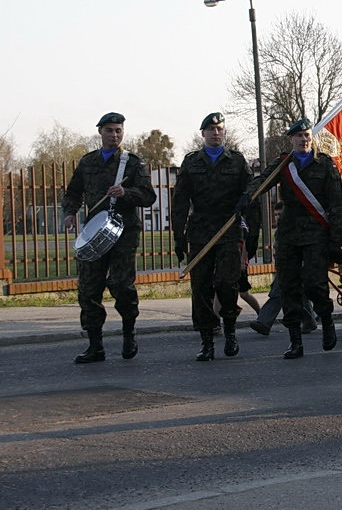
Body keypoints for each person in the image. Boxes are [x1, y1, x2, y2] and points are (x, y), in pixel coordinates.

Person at [239, 118, 342, 359]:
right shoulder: (284, 164)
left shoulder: (325, 164)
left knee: (314, 284)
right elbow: (263, 180)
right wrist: (248, 195)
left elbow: (336, 205)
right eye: (299, 136)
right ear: (291, 139)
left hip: (316, 234)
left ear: (312, 137)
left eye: (307, 135)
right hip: (288, 233)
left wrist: (336, 239)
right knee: (288, 286)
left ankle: (326, 320)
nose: (303, 140)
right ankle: (295, 340)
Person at [63, 112, 157, 363]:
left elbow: (149, 196)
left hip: (124, 231)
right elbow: (73, 192)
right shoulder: (88, 162)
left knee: (120, 284)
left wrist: (126, 192)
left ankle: (129, 335)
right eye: (109, 130)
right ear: (100, 132)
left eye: (118, 130)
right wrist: (70, 214)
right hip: (94, 232)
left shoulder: (132, 163)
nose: (114, 135)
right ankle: (96, 346)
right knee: (88, 288)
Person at [172, 112, 252, 361]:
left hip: (228, 230)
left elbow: (251, 192)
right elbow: (180, 201)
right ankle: (207, 340)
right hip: (200, 232)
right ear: (203, 134)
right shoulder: (191, 162)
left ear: (224, 133)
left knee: (227, 284)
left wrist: (245, 203)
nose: (215, 133)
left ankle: (230, 331)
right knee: (201, 287)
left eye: (219, 129)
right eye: (211, 130)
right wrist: (178, 236)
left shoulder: (237, 161)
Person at [249, 201, 318, 336]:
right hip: (285, 265)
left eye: (280, 214)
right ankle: (309, 320)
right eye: (275, 215)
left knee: (278, 293)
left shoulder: (294, 227)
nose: (277, 217)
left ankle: (264, 322)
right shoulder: (280, 231)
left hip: (296, 265)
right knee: (299, 295)